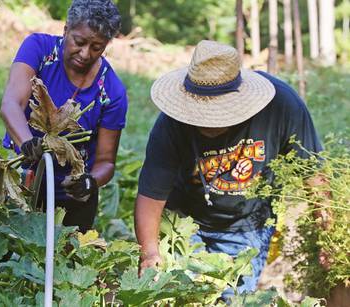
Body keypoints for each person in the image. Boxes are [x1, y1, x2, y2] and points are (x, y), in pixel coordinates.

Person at [135, 40, 322, 297]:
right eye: (200, 114)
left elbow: (314, 176)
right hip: (184, 221)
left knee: (235, 298)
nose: (208, 123)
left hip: (247, 224)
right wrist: (150, 252)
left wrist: (326, 240)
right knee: (182, 295)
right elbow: (151, 195)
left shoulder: (282, 107)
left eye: (217, 115)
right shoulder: (170, 124)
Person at [0, 0, 128, 233]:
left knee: (65, 263)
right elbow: (11, 104)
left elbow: (106, 162)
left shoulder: (111, 91)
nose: (85, 53)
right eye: (79, 42)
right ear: (66, 29)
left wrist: (90, 182)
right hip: (19, 181)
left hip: (70, 199)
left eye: (97, 47)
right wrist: (27, 143)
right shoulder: (39, 49)